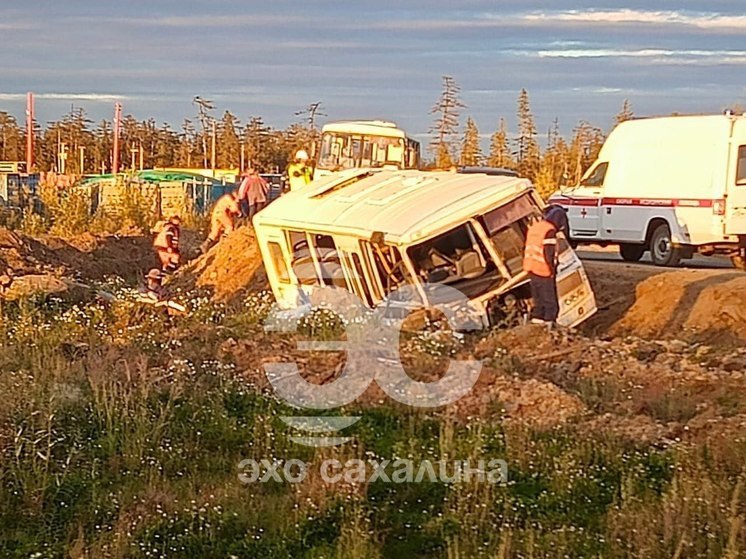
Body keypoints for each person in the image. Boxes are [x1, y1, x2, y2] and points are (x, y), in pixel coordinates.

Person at [522, 206, 569, 326]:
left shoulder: (535, 227)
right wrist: (552, 270)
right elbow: (549, 254)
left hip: (531, 267)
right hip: (543, 269)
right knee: (550, 301)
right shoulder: (549, 231)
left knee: (538, 299)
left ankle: (537, 321)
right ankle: (550, 324)